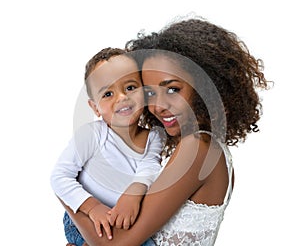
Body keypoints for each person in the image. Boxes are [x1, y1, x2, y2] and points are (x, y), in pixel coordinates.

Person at [61, 16, 270, 246]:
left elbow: (114, 244)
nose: (157, 106)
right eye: (150, 93)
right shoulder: (207, 149)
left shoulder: (197, 147)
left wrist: (69, 196)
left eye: (172, 89)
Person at [50, 47, 163, 246]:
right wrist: (92, 207)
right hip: (85, 219)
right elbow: (59, 176)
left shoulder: (154, 136)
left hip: (127, 221)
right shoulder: (92, 134)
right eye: (108, 93)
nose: (121, 98)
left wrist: (133, 193)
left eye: (130, 88)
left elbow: (150, 166)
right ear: (95, 108)